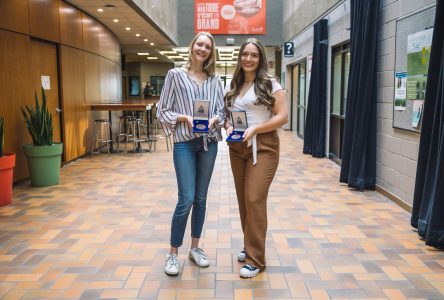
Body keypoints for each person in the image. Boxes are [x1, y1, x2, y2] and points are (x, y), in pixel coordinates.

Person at [157, 31, 225, 276]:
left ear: (211, 51)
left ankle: (195, 248)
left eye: (208, 46)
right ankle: (173, 253)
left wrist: (215, 119)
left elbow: (222, 112)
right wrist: (185, 118)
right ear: (192, 46)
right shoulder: (175, 75)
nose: (203, 49)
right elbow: (162, 111)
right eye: (199, 44)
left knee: (201, 199)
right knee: (186, 198)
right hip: (185, 143)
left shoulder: (214, 80)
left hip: (209, 144)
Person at [224, 38, 288, 278]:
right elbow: (232, 113)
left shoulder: (271, 83)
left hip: (263, 146)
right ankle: (249, 245)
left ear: (260, 58)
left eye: (254, 55)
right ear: (240, 57)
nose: (248, 58)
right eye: (245, 54)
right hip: (237, 146)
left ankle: (256, 259)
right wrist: (230, 125)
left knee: (254, 198)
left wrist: (256, 129)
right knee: (243, 200)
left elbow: (282, 117)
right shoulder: (236, 83)